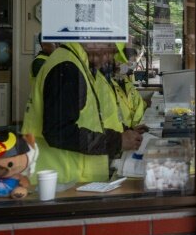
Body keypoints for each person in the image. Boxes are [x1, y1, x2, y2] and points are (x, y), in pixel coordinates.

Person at [22, 42, 142, 184]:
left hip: (76, 180)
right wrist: (117, 141)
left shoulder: (81, 66)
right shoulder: (67, 68)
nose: (108, 59)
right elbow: (59, 131)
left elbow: (93, 120)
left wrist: (125, 132)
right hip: (61, 180)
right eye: (108, 51)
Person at [112, 43, 147, 130]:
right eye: (129, 64)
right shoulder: (108, 86)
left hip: (134, 129)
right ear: (118, 62)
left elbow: (137, 102)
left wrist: (145, 103)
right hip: (122, 134)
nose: (130, 68)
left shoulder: (126, 82)